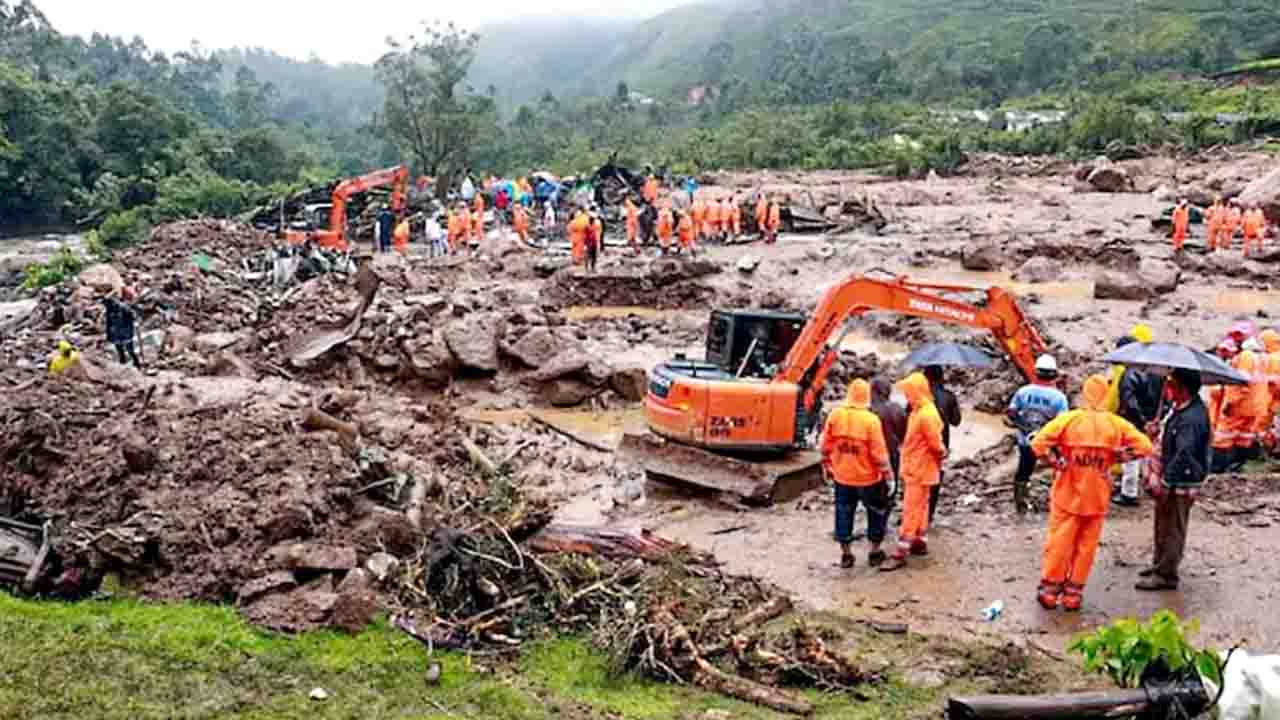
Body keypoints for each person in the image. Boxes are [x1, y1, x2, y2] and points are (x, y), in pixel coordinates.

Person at [1032, 374, 1153, 610]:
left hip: (1067, 494)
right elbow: (1145, 446)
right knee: (1086, 547)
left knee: (1060, 543)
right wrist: (1119, 456)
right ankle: (1073, 595)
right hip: (1097, 497)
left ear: (1085, 394)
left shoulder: (1070, 420)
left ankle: (1050, 590)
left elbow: (1038, 444)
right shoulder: (1115, 424)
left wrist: (1055, 461)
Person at [1138, 368, 1211, 592]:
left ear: (1182, 389)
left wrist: (1167, 481)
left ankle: (1167, 574)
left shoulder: (1191, 418)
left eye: (1172, 385)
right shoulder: (1181, 409)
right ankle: (1159, 563)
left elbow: (1184, 453)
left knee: (1173, 526)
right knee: (1163, 522)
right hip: (1173, 476)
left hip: (1180, 480)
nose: (1167, 388)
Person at [822, 379, 892, 568]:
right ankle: (874, 551)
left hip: (842, 476)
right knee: (876, 511)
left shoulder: (835, 416)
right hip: (869, 478)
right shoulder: (871, 421)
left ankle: (846, 554)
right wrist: (889, 476)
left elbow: (825, 445)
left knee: (843, 511)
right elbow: (879, 453)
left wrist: (828, 466)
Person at [881, 372, 946, 572]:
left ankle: (901, 551)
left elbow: (936, 445)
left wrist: (942, 454)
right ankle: (919, 540)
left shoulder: (925, 414)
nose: (906, 396)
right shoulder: (921, 410)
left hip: (919, 469)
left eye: (908, 392)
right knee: (922, 506)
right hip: (920, 467)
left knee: (911, 509)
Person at [1009, 354, 1070, 514]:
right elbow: (1062, 424)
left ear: (1036, 372)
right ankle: (1058, 502)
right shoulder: (1059, 398)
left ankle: (1020, 504)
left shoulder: (1023, 392)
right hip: (1049, 444)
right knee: (1058, 470)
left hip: (1025, 441)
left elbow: (1011, 413)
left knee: (1023, 471)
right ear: (1054, 374)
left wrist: (1026, 428)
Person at [922, 366, 962, 522]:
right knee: (935, 478)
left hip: (920, 444)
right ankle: (929, 514)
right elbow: (956, 421)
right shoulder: (949, 396)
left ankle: (916, 512)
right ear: (941, 378)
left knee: (918, 479)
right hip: (940, 444)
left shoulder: (919, 397)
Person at [870, 376, 908, 499]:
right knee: (891, 486)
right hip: (892, 451)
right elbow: (904, 433)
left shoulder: (869, 411)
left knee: (873, 487)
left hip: (871, 454)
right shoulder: (897, 409)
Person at [102, 293, 141, 368]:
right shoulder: (109, 310)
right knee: (119, 350)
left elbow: (133, 315)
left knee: (130, 350)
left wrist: (134, 322)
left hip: (126, 332)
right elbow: (108, 323)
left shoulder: (123, 308)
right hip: (116, 333)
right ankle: (122, 364)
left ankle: (137, 365)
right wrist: (108, 335)